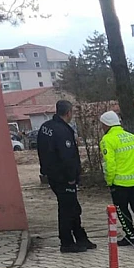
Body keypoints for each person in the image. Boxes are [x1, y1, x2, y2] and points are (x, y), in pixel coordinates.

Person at [37, 101, 96, 253]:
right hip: (63, 177)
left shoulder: (46, 127)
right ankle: (67, 242)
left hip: (53, 175)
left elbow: (41, 150)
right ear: (68, 112)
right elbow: (67, 156)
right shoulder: (62, 131)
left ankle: (80, 237)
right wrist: (72, 177)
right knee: (67, 209)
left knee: (73, 208)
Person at [99, 111, 134, 247]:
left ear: (106, 124)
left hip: (119, 183)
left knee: (122, 211)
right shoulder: (132, 137)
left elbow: (109, 164)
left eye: (102, 125)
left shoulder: (107, 140)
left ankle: (131, 236)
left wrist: (109, 181)